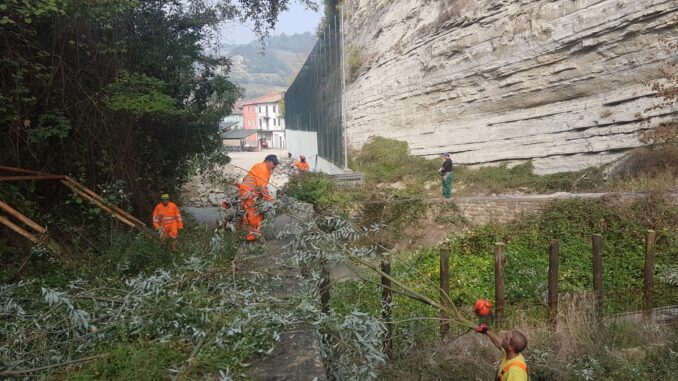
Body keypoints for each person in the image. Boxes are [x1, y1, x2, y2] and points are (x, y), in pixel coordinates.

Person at [237, 154, 278, 241]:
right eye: (274, 164)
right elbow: (262, 187)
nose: (275, 166)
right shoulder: (263, 169)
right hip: (249, 193)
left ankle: (247, 229)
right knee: (254, 213)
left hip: (250, 192)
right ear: (268, 162)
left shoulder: (260, 166)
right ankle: (252, 237)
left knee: (253, 212)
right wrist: (269, 199)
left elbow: (256, 183)